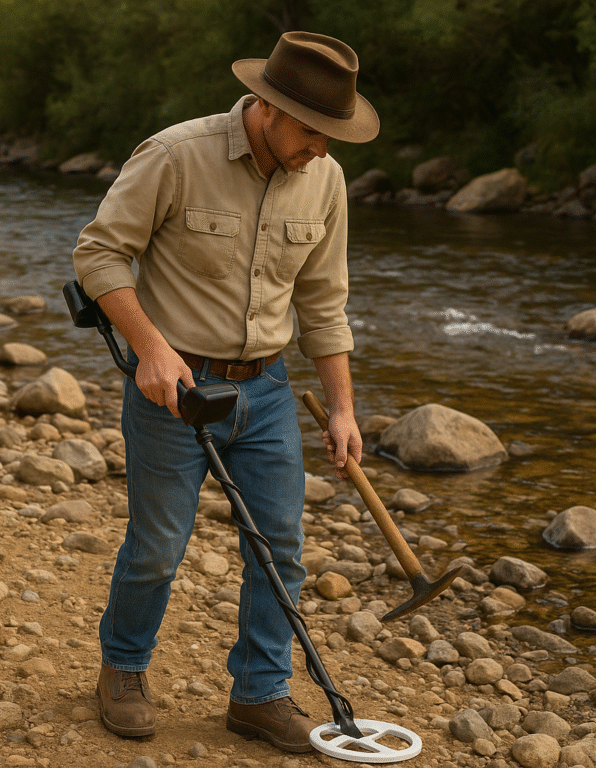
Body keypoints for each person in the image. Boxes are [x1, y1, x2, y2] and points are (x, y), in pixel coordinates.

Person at [72, 31, 379, 753]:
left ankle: (260, 694)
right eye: (312, 131)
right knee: (157, 546)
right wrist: (150, 347)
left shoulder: (324, 180)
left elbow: (324, 300)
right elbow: (98, 252)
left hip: (268, 388)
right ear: (268, 109)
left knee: (282, 548)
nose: (323, 150)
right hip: (172, 387)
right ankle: (122, 669)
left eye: (335, 136)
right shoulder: (177, 154)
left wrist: (341, 407)